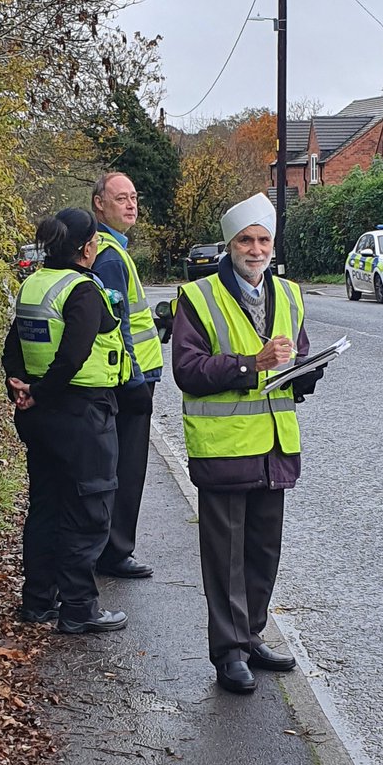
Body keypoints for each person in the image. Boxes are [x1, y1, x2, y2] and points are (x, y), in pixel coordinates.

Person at [171, 193, 323, 694]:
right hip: (223, 446)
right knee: (224, 553)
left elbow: (294, 356)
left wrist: (305, 373)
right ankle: (229, 650)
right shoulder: (197, 298)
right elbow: (187, 372)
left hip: (274, 445)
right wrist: (250, 363)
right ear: (229, 245)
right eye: (245, 241)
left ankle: (252, 634)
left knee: (263, 549)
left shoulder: (292, 294)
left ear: (272, 246)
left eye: (262, 240)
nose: (255, 249)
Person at [2, 208, 131, 634]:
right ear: (87, 246)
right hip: (82, 415)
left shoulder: (34, 285)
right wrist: (39, 391)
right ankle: (79, 608)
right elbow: (73, 357)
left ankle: (39, 600)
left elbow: (13, 348)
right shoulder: (83, 291)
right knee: (88, 510)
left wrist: (20, 388)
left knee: (47, 505)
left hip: (41, 418)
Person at [91, 171, 162, 579]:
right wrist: (135, 382)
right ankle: (116, 552)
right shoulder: (110, 254)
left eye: (134, 197)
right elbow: (116, 323)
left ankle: (109, 547)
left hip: (123, 375)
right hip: (128, 380)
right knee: (126, 469)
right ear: (100, 203)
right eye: (121, 198)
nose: (131, 205)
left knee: (115, 466)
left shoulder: (111, 248)